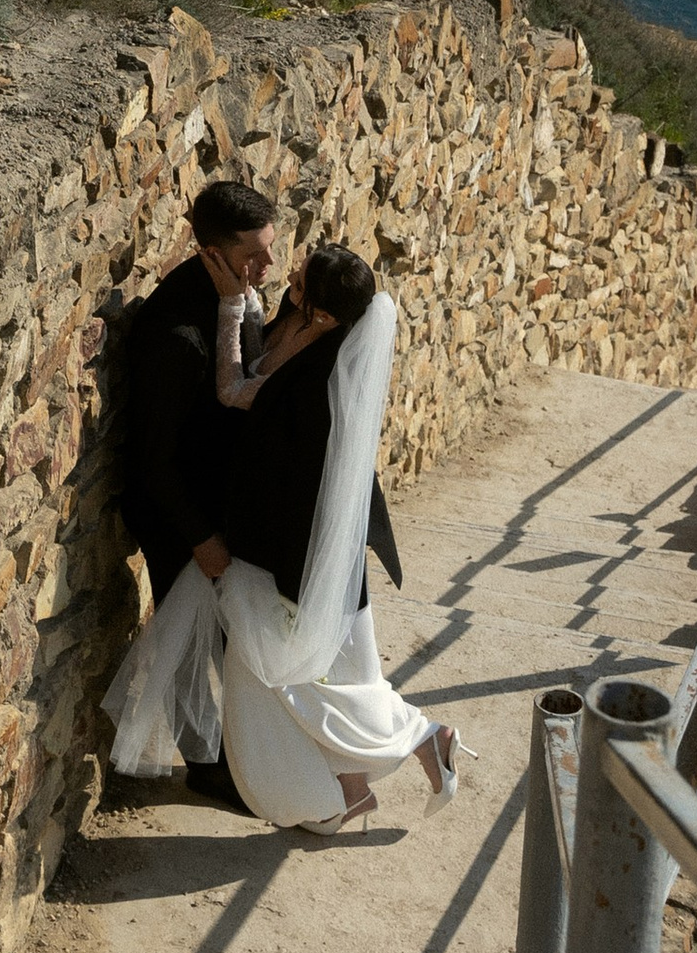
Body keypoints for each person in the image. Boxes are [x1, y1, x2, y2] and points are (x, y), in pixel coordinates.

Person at [105, 242, 462, 833]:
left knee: (290, 675)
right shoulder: (309, 324)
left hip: (292, 553)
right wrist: (247, 305)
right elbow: (261, 354)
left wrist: (230, 304)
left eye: (300, 279)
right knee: (315, 676)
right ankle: (350, 789)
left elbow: (235, 389)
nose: (287, 273)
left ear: (322, 314)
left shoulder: (320, 373)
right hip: (291, 545)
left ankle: (419, 739)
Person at [95, 177, 275, 814]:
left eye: (269, 248)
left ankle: (235, 756)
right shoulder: (177, 335)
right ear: (214, 253)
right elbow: (154, 460)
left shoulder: (233, 296)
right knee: (187, 642)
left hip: (212, 499)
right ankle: (206, 767)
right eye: (254, 254)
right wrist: (201, 538)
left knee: (226, 637)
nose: (268, 264)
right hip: (177, 512)